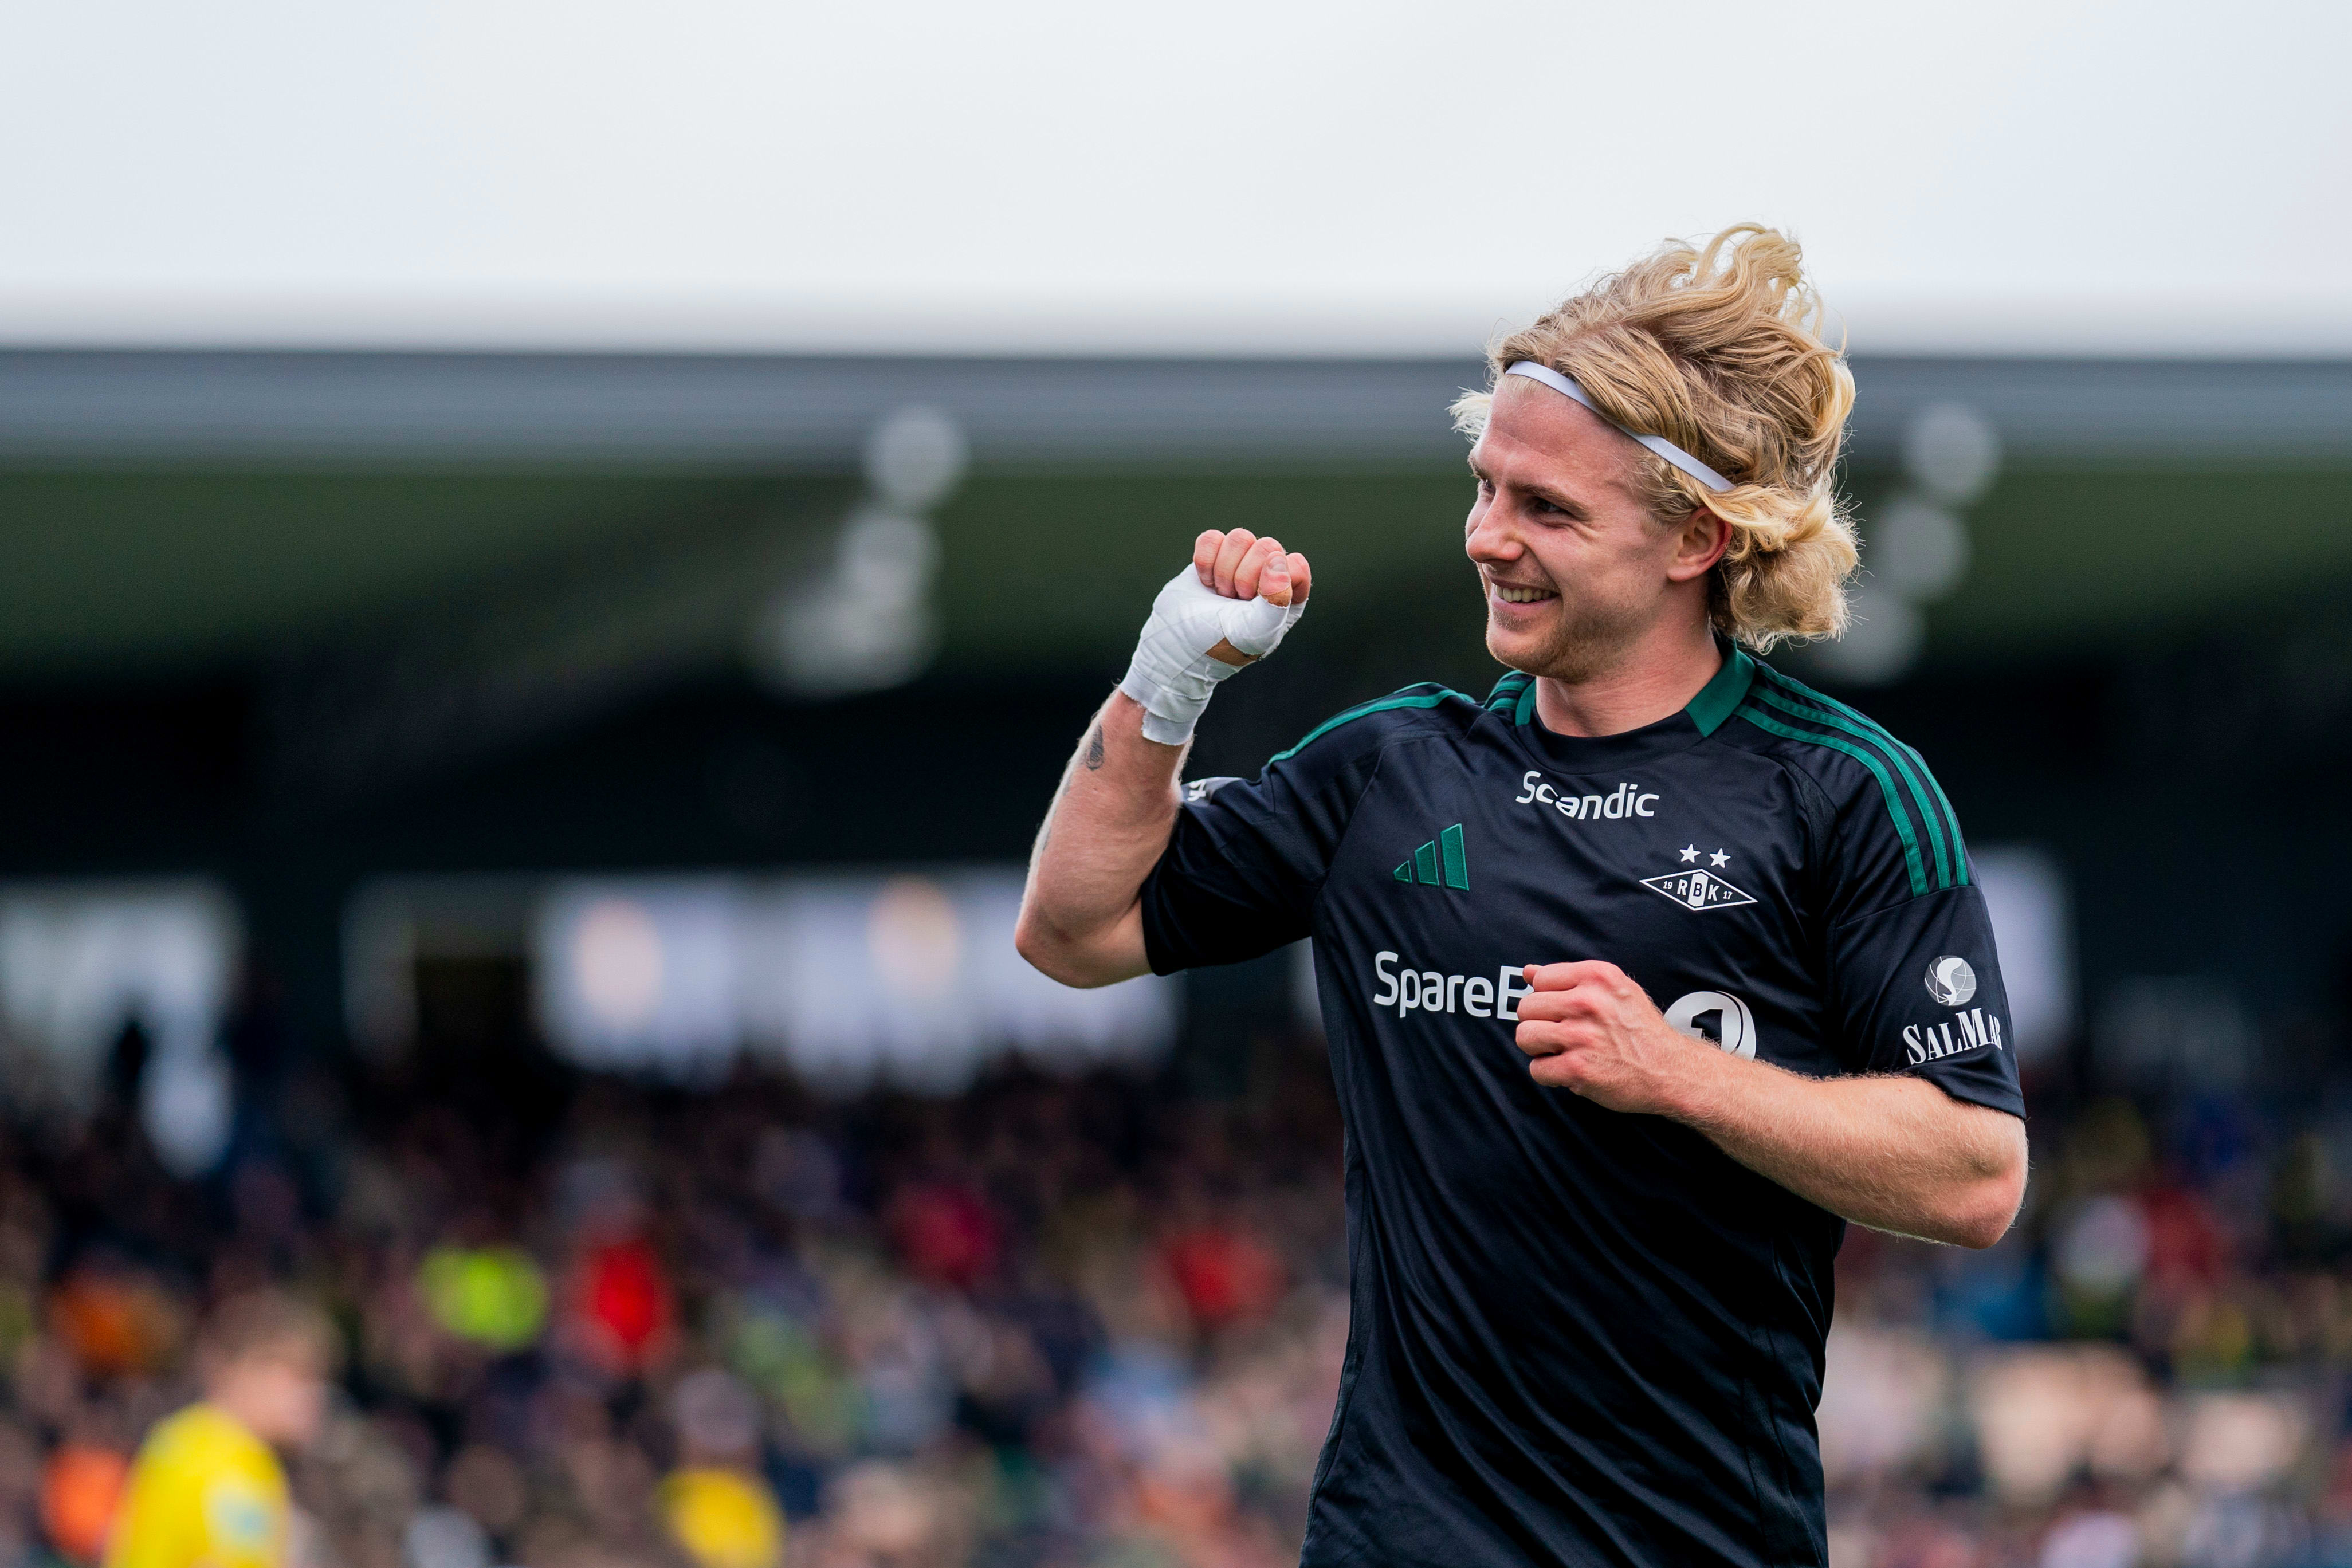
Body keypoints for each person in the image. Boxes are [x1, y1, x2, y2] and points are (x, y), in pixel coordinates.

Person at [1015, 225, 2028, 1567]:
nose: (1488, 538)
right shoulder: (1390, 769)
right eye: (1485, 487)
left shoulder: (1842, 792)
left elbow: (1975, 1173)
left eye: (1547, 510)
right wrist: (1166, 679)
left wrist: (1678, 1073)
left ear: (1695, 537)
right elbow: (1073, 931)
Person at [106, 1291, 334, 1568]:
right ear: (246, 1370)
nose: (315, 1396)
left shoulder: (180, 1438)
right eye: (300, 1377)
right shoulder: (234, 1465)